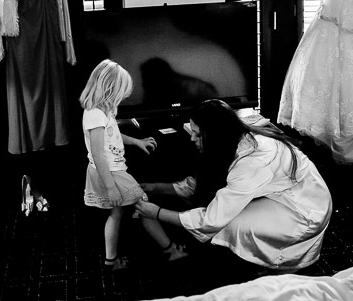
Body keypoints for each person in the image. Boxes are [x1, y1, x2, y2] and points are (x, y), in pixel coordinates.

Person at [135, 99, 333, 272]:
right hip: (286, 191)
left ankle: (274, 265)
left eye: (197, 134)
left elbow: (211, 220)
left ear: (215, 134)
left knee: (228, 224)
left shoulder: (252, 163)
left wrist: (156, 212)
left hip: (304, 207)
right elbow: (207, 180)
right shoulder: (235, 139)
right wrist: (157, 188)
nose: (191, 138)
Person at [80, 59, 170, 271]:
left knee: (117, 213)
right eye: (121, 93)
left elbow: (113, 134)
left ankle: (110, 261)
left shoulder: (104, 111)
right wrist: (110, 186)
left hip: (112, 170)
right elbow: (98, 153)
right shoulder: (94, 114)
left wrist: (137, 142)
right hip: (110, 172)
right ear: (109, 89)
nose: (123, 98)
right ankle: (170, 249)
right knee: (143, 205)